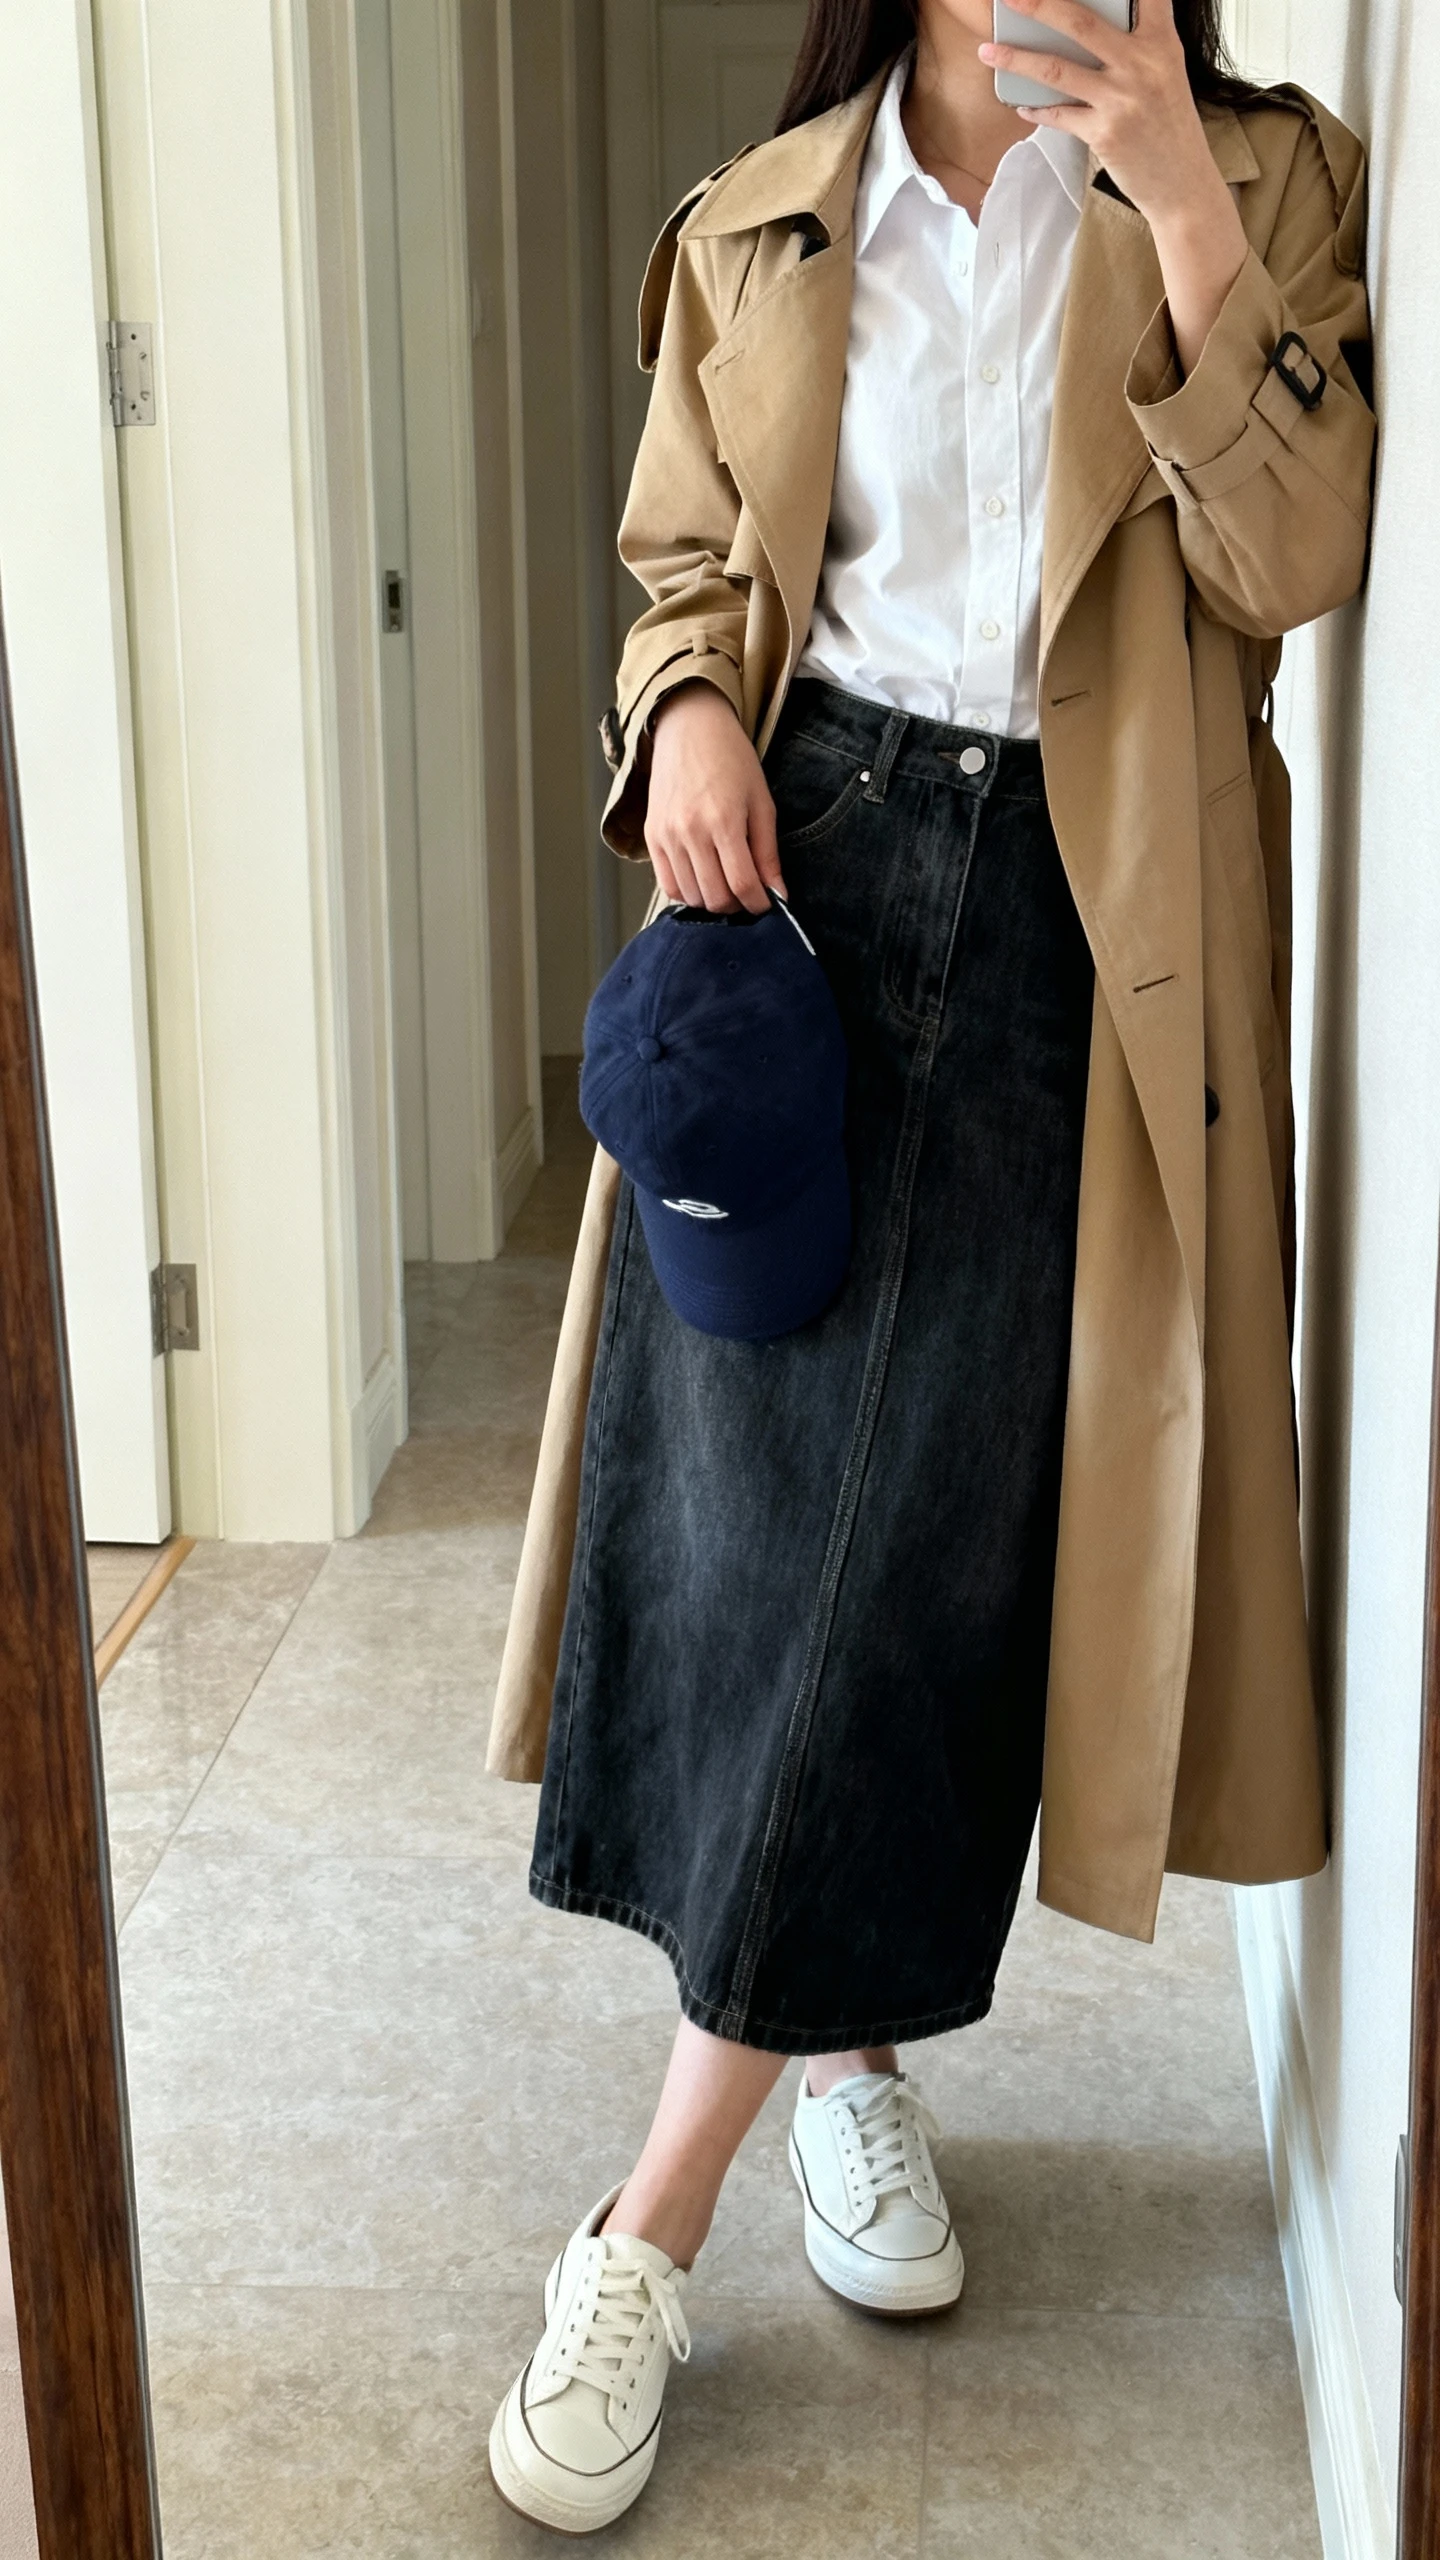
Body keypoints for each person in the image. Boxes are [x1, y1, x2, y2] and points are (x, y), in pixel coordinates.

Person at [486, 0, 1376, 2532]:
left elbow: (1290, 559)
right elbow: (683, 561)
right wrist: (683, 724)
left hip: (1092, 951)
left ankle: (642, 2220)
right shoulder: (768, 211)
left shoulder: (1271, 179)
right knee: (777, 1547)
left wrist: (1180, 200)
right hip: (805, 894)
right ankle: (837, 2068)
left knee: (923, 1569)